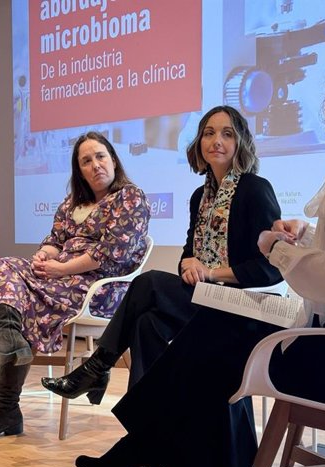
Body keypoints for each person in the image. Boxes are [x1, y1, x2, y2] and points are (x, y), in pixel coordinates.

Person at [73, 29, 325, 467]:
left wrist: (277, 251)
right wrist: (304, 235)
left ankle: (147, 441)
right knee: (174, 331)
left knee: (212, 339)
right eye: (207, 133)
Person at [41, 105, 282, 403]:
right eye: (209, 133)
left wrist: (211, 273)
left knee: (149, 282)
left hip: (243, 308)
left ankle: (97, 366)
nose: (216, 140)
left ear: (240, 143)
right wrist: (189, 267)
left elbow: (272, 269)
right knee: (147, 325)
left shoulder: (255, 190)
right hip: (208, 301)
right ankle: (146, 425)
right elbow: (187, 256)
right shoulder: (200, 197)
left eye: (227, 134)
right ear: (199, 143)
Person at [0, 131, 150, 439]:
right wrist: (43, 257)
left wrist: (60, 269)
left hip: (98, 288)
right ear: (79, 170)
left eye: (100, 156)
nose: (95, 165)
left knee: (23, 301)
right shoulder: (72, 203)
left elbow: (111, 252)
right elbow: (54, 241)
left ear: (113, 160)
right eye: (86, 161)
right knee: (5, 265)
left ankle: (5, 409)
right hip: (60, 279)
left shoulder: (129, 198)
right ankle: (10, 338)